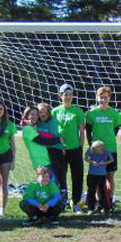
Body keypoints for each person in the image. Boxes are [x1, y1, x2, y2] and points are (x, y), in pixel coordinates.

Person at [86, 86, 120, 209]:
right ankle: (99, 202)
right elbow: (88, 131)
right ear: (97, 98)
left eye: (106, 97)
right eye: (101, 97)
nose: (103, 99)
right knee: (97, 177)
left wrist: (108, 141)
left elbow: (116, 129)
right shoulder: (91, 113)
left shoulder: (115, 113)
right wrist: (93, 147)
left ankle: (109, 201)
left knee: (110, 176)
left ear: (109, 98)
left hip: (111, 149)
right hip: (96, 152)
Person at [53, 84, 86, 213]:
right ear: (60, 96)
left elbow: (82, 132)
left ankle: (76, 203)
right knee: (61, 177)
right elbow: (53, 131)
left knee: (77, 177)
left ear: (73, 96)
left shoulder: (77, 111)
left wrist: (80, 147)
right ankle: (63, 202)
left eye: (69, 94)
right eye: (64, 94)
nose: (67, 96)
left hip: (75, 149)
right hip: (60, 150)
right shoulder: (54, 111)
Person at [37, 102, 65, 208]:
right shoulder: (38, 123)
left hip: (56, 151)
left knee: (57, 176)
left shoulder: (53, 121)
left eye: (44, 111)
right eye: (40, 112)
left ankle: (60, 200)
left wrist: (56, 140)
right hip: (43, 153)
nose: (42, 114)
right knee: (45, 175)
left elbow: (53, 138)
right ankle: (47, 199)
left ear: (48, 112)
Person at [22, 106, 61, 171]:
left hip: (45, 160)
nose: (35, 116)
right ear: (27, 115)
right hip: (40, 162)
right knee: (47, 180)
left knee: (51, 180)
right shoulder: (27, 129)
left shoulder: (33, 127)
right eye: (32, 114)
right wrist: (58, 140)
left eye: (37, 115)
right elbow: (41, 141)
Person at [85, 140, 114, 213]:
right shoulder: (91, 149)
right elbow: (85, 158)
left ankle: (106, 208)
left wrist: (104, 163)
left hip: (102, 175)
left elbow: (111, 160)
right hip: (91, 174)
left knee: (103, 191)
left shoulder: (106, 150)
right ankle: (90, 208)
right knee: (91, 191)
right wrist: (92, 162)